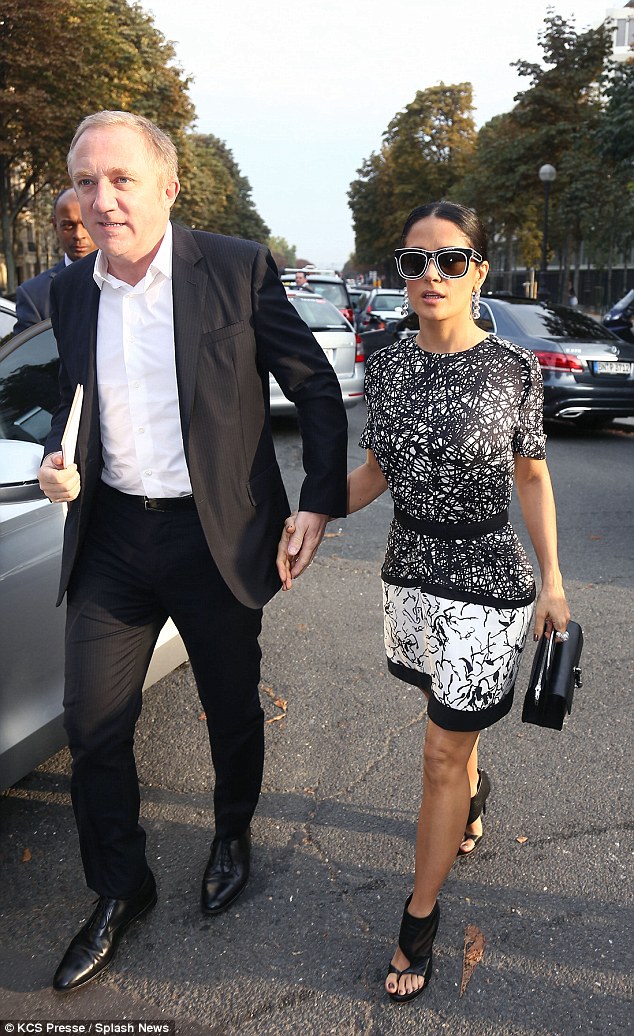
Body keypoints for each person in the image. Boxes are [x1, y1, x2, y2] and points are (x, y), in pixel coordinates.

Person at [37, 110, 348, 993]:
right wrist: (57, 466)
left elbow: (314, 388)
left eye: (122, 179)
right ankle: (120, 887)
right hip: (113, 539)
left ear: (169, 187)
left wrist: (318, 505)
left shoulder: (235, 268)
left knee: (230, 705)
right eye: (86, 182)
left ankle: (231, 830)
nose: (101, 199)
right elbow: (66, 412)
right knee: (92, 727)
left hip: (217, 534)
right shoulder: (65, 292)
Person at [278, 200, 570, 1004]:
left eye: (449, 260)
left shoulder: (514, 368)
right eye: (414, 263)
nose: (431, 276)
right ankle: (475, 794)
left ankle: (419, 916)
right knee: (453, 730)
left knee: (440, 749)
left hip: (486, 579)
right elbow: (375, 472)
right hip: (409, 572)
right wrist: (313, 513)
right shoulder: (391, 363)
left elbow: (533, 476)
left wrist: (553, 580)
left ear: (479, 270)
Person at [13, 187, 96, 334]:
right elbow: (29, 355)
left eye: (86, 223)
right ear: (54, 225)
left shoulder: (129, 279)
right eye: (68, 226)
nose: (78, 235)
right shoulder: (33, 295)